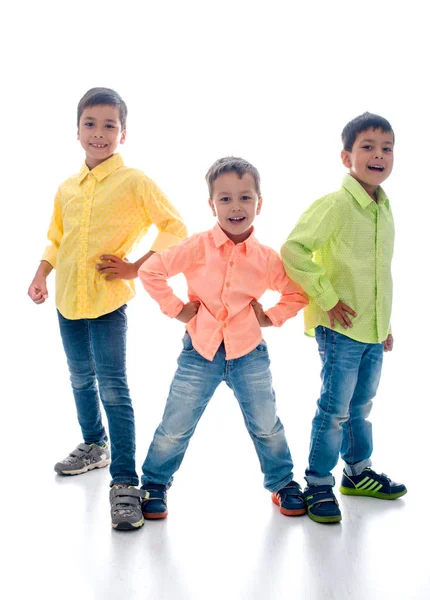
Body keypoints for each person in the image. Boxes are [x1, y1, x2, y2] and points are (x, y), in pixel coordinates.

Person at [27, 87, 187, 530]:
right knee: (80, 377)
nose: (100, 133)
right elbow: (57, 240)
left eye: (109, 125)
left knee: (113, 387)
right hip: (66, 301)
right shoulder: (66, 188)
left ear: (123, 133)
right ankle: (94, 445)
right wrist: (41, 274)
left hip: (106, 303)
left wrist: (136, 267)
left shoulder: (134, 182)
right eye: (91, 124)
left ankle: (124, 482)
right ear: (77, 131)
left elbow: (174, 226)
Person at [137, 156, 308, 519]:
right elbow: (151, 271)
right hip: (200, 351)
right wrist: (177, 308)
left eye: (245, 198)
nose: (236, 206)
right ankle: (153, 484)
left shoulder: (266, 258)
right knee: (176, 423)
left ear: (259, 204)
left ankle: (282, 483)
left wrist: (271, 316)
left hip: (249, 352)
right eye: (225, 198)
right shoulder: (196, 246)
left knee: (266, 424)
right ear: (211, 204)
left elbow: (297, 293)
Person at [281, 112, 407, 524]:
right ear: (345, 156)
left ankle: (357, 473)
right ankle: (318, 483)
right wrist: (327, 297)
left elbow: (379, 273)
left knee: (361, 406)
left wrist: (384, 324)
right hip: (340, 331)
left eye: (386, 148)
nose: (378, 155)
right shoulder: (335, 205)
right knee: (334, 409)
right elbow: (294, 250)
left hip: (371, 331)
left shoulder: (383, 208)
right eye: (367, 147)